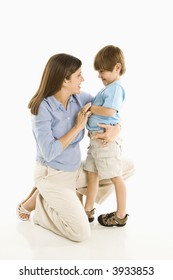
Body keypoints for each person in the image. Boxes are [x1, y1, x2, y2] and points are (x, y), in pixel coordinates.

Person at [16, 53, 135, 242]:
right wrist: (78, 127)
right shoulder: (41, 109)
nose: (84, 79)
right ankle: (41, 203)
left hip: (74, 170)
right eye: (79, 75)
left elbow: (110, 111)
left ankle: (63, 197)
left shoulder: (80, 99)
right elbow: (50, 152)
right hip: (53, 174)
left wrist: (116, 130)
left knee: (127, 167)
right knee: (80, 233)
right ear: (65, 80)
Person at [84, 45, 129, 227]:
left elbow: (110, 111)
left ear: (117, 67)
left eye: (102, 71)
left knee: (116, 176)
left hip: (105, 142)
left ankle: (120, 215)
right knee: (92, 174)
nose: (99, 75)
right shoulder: (109, 88)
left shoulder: (115, 88)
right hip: (96, 141)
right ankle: (87, 210)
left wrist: (90, 108)